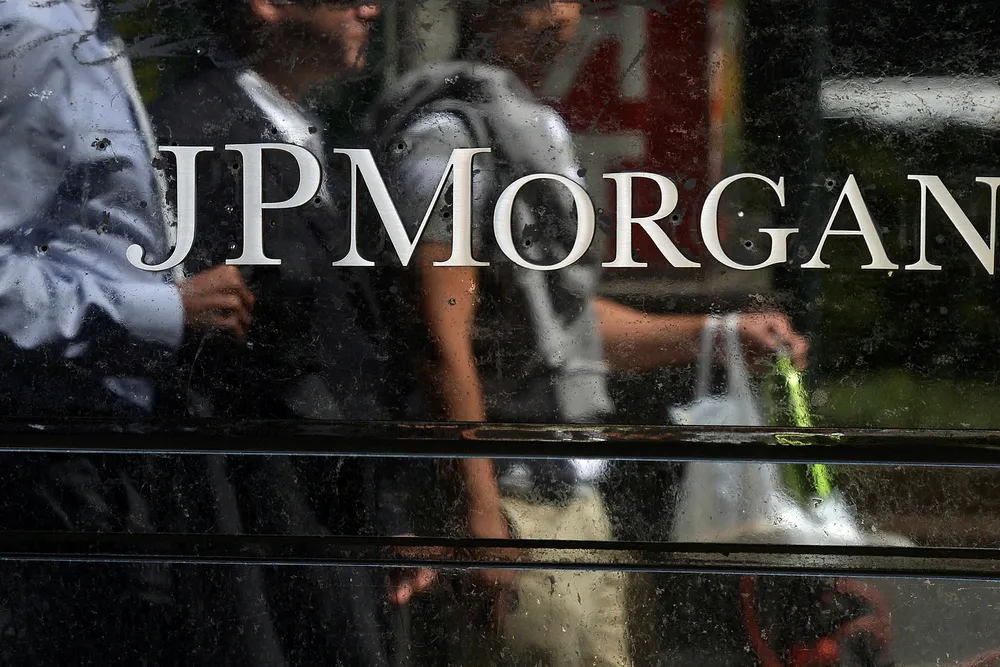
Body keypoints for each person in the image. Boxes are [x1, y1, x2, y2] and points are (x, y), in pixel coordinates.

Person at [367, 0, 809, 664]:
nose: (560, 18)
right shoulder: (446, 138)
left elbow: (562, 327)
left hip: (571, 500)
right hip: (512, 505)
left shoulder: (531, 127)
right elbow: (439, 335)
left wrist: (718, 334)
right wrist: (479, 517)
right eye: (538, 2)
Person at [147, 0, 413, 664]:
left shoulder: (310, 131)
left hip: (329, 507)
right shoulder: (195, 133)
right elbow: (221, 352)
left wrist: (385, 508)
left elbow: (350, 342)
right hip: (265, 513)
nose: (371, 8)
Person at [0, 0, 255, 662]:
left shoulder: (87, 33)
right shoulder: (33, 33)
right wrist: (162, 312)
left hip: (103, 462)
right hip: (53, 466)